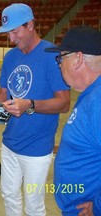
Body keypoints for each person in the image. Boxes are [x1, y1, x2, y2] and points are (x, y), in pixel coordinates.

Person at [0, 3, 70, 215]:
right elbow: (2, 94)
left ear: (30, 25)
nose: (11, 39)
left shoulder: (50, 55)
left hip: (37, 147)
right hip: (9, 142)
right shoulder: (10, 57)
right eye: (9, 33)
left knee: (34, 204)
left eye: (15, 31)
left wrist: (30, 105)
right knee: (9, 195)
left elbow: (64, 103)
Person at [45, 25, 101, 215]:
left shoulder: (98, 100)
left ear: (78, 59)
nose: (59, 64)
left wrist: (98, 206)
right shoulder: (91, 93)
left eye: (61, 58)